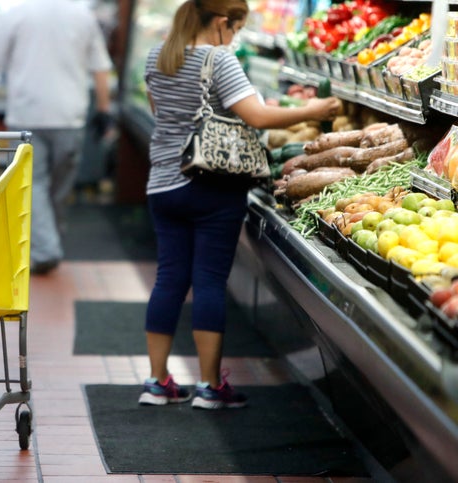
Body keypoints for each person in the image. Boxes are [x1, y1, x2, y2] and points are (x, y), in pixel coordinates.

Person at [138, 0, 340, 409]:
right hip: (212, 185)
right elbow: (258, 117)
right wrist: (316, 109)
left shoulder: (156, 55)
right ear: (221, 21)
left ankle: (157, 382)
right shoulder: (220, 58)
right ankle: (210, 388)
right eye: (235, 28)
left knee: (169, 280)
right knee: (210, 281)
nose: (234, 37)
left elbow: (159, 112)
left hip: (163, 183)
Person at [0, 0, 114, 275]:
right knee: (58, 186)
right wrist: (104, 109)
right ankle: (47, 247)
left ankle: (46, 243)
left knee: (34, 183)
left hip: (27, 114)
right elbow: (101, 66)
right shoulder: (83, 15)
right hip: (70, 115)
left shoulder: (16, 14)